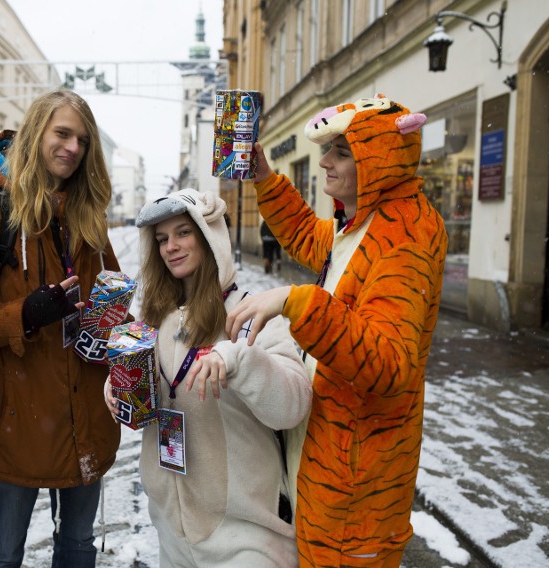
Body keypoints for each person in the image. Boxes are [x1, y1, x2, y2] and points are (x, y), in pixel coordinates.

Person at [226, 94, 448, 566]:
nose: (324, 161)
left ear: (379, 158)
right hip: (332, 465)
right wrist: (265, 177)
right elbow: (309, 236)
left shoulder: (404, 236)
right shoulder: (366, 222)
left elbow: (388, 364)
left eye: (341, 152)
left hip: (357, 492)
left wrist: (296, 302)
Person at [0, 89, 123, 568]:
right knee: (5, 552)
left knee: (79, 547)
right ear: (37, 132)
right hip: (17, 416)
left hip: (85, 415)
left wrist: (114, 321)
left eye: (83, 139)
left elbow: (111, 297)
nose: (73, 148)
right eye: (62, 133)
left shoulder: (88, 217)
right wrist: (24, 314)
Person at [105, 188, 312, 567]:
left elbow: (293, 405)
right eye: (162, 239)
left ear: (209, 236)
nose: (171, 247)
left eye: (183, 233)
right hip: (172, 531)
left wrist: (239, 360)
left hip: (246, 539)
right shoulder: (153, 318)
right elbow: (147, 385)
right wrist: (118, 387)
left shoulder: (252, 313)